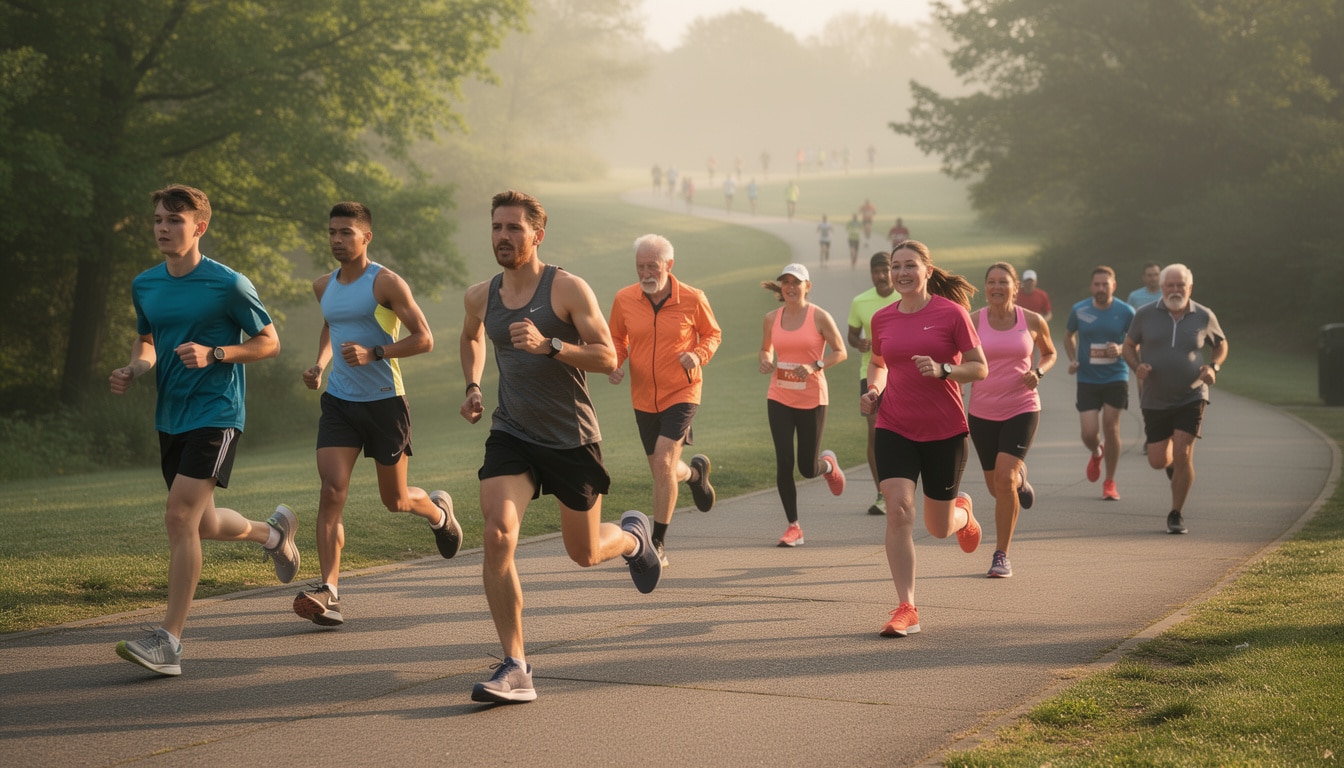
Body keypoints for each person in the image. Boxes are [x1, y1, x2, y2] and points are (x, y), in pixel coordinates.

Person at [459, 190, 661, 704]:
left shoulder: (566, 288)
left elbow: (607, 355)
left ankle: (635, 539)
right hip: (512, 432)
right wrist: (474, 386)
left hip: (571, 437)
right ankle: (516, 665)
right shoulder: (480, 295)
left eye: (514, 228)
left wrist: (551, 345)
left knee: (585, 552)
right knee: (498, 534)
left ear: (537, 235)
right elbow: (472, 337)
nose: (503, 236)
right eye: (496, 227)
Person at [110, 184, 295, 676]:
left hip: (217, 413)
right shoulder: (146, 284)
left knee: (178, 518)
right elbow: (146, 339)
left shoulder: (229, 285)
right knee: (204, 524)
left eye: (174, 220)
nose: (163, 229)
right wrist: (136, 369)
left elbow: (270, 343)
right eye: (157, 220)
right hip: (170, 415)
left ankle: (169, 641)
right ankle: (271, 534)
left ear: (200, 226)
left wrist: (217, 353)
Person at [292, 202, 462, 628]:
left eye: (346, 232)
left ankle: (439, 513)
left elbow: (425, 339)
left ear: (366, 237)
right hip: (340, 403)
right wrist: (321, 363)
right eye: (332, 231)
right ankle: (328, 590)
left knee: (396, 500)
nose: (336, 239)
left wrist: (376, 352)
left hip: (386, 401)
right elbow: (332, 324)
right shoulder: (322, 286)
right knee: (332, 490)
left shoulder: (385, 283)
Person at [860, 240, 987, 637]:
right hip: (894, 425)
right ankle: (907, 607)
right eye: (896, 266)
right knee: (897, 510)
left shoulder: (951, 314)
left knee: (937, 527)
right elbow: (878, 362)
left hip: (944, 430)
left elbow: (979, 368)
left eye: (910, 265)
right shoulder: (881, 319)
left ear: (927, 270)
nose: (901, 273)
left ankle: (962, 514)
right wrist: (875, 390)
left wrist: (945, 370)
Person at [608, 234, 723, 566]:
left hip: (683, 392)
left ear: (669, 265)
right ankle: (695, 475)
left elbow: (713, 333)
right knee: (664, 470)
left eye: (652, 266)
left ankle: (656, 543)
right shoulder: (624, 298)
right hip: (643, 396)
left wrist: (698, 354)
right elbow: (617, 336)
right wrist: (616, 362)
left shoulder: (692, 298)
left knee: (662, 464)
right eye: (640, 267)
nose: (645, 273)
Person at [1122, 264, 1228, 535]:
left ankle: (1176, 513)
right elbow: (1128, 347)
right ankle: (1175, 469)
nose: (1175, 289)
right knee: (1158, 460)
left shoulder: (1203, 315)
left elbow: (1221, 344)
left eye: (1180, 285)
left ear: (1190, 288)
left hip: (1191, 395)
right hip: (1155, 398)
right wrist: (1137, 367)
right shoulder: (1145, 315)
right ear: (1161, 287)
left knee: (1182, 453)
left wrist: (1213, 368)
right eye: (1170, 285)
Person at [967, 263, 1056, 578]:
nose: (996, 287)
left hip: (1022, 407)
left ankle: (1001, 555)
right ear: (986, 287)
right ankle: (1020, 479)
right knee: (997, 487)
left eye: (1003, 282)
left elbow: (1049, 353)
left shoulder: (1030, 321)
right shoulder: (973, 321)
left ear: (1015, 287)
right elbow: (956, 357)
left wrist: (1038, 372)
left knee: (1003, 479)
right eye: (991, 282)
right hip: (981, 412)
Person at [758, 263, 849, 546]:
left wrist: (814, 366)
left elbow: (841, 352)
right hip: (779, 396)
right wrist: (764, 357)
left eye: (796, 282)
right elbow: (766, 347)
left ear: (807, 286)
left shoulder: (819, 316)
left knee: (806, 468)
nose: (790, 287)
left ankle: (828, 466)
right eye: (785, 282)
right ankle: (793, 527)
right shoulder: (771, 318)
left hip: (812, 399)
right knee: (784, 461)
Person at [1064, 266, 1136, 501]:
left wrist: (1122, 349)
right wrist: (1073, 359)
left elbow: (1137, 342)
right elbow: (1068, 336)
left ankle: (1109, 481)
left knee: (1110, 427)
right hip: (1087, 377)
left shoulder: (1126, 312)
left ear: (1114, 286)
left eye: (1106, 284)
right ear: (1091, 286)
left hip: (1116, 375)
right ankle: (1097, 451)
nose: (1101, 288)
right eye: (1097, 284)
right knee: (1089, 433)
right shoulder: (1080, 309)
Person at [846, 252, 900, 516]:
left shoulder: (905, 297)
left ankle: (903, 487)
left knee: (904, 432)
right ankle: (882, 494)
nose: (881, 276)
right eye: (876, 271)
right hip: (870, 371)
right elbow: (852, 336)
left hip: (902, 371)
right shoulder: (860, 301)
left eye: (885, 270)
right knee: (875, 432)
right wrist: (860, 344)